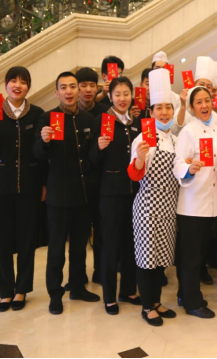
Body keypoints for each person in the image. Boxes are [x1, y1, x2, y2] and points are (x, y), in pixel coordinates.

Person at [0, 67, 45, 312]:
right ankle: (5, 292)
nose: (18, 85)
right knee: (1, 241)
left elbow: (41, 153)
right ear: (6, 85)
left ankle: (21, 290)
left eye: (23, 82)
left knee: (27, 240)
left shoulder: (37, 114)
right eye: (13, 81)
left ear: (29, 87)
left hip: (29, 187)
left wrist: (44, 183)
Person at [34, 72, 101, 315]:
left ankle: (77, 286)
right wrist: (43, 141)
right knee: (56, 249)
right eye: (64, 87)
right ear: (57, 92)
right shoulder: (47, 117)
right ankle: (55, 293)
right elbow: (37, 154)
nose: (69, 91)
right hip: (58, 194)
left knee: (79, 247)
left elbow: (92, 155)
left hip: (83, 193)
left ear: (79, 90)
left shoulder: (88, 118)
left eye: (73, 86)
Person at [127, 68, 181, 326]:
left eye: (168, 107)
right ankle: (147, 306)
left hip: (169, 206)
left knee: (161, 259)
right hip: (148, 205)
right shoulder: (142, 139)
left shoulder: (175, 140)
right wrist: (139, 158)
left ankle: (157, 301)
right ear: (151, 112)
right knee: (147, 258)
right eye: (159, 108)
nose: (164, 112)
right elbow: (134, 174)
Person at [89, 77, 142, 315]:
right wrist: (99, 147)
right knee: (110, 245)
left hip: (135, 192)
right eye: (117, 94)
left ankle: (128, 290)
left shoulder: (137, 122)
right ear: (110, 96)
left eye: (126, 94)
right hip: (110, 193)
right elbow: (91, 159)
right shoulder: (103, 120)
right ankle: (109, 296)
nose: (122, 99)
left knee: (132, 242)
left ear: (132, 95)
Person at [173, 86, 217, 319]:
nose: (204, 105)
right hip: (192, 204)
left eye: (207, 100)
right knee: (191, 257)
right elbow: (178, 163)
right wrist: (189, 168)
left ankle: (185, 294)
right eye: (199, 102)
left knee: (200, 255)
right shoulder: (188, 132)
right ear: (191, 107)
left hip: (211, 202)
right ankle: (192, 301)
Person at [76, 66, 110, 284]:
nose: (88, 90)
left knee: (101, 230)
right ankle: (77, 276)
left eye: (92, 85)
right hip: (77, 180)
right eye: (83, 85)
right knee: (79, 232)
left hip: (100, 179)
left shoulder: (105, 111)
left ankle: (100, 271)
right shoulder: (67, 113)